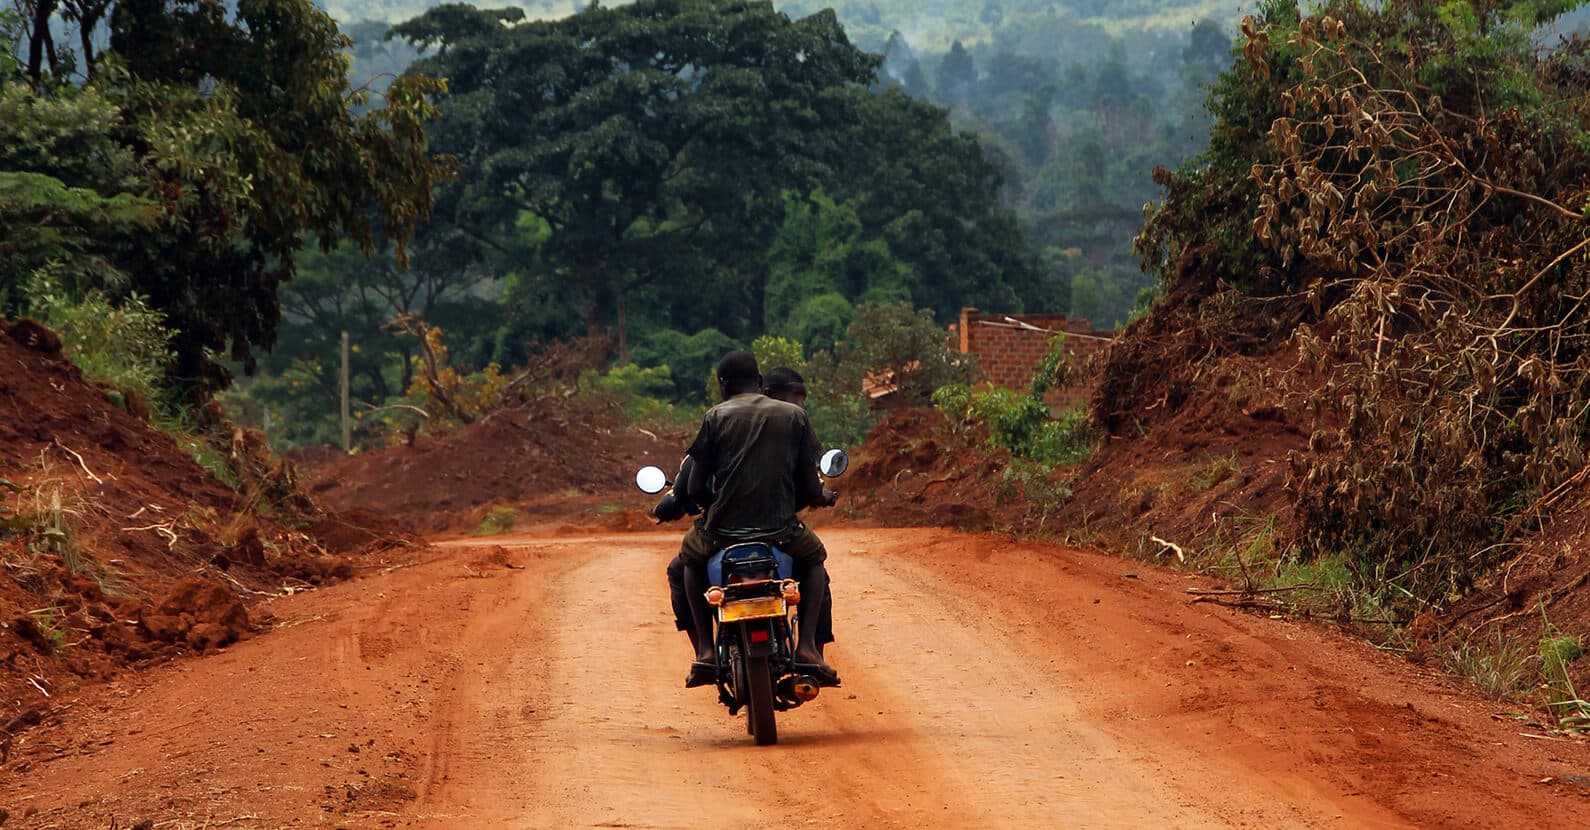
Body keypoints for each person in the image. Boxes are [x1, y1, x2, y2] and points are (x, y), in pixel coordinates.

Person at [676, 351, 838, 688]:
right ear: (760, 381)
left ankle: (706, 651)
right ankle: (808, 647)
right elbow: (810, 486)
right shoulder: (795, 417)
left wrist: (714, 509)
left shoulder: (714, 417)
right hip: (780, 529)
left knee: (687, 565)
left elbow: (693, 486)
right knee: (814, 562)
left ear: (723, 385)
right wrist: (818, 497)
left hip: (722, 531)